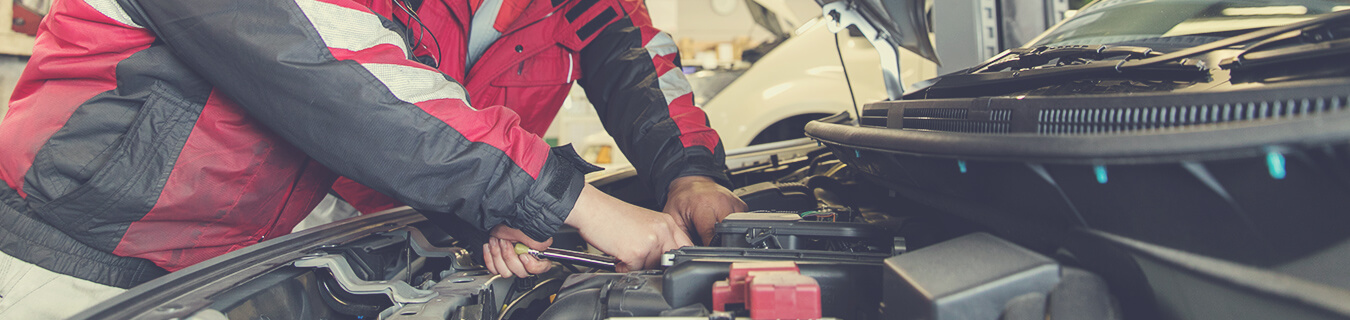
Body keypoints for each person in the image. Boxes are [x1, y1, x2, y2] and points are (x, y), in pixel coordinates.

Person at [0, 0, 745, 317]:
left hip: (250, 265)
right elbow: (359, 87)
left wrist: (690, 173)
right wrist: (577, 205)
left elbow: (633, 60)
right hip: (71, 263)